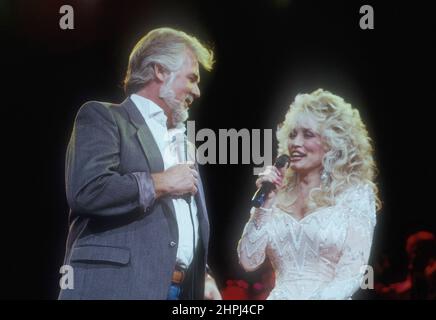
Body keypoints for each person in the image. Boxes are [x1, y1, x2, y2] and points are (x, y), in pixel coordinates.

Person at [59, 27, 221, 300]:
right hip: (115, 287)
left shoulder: (185, 144)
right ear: (160, 71)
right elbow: (87, 190)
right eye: (192, 79)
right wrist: (163, 181)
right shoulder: (104, 117)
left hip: (179, 291)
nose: (197, 91)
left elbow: (180, 223)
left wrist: (202, 275)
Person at [238, 89, 381, 299]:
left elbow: (352, 273)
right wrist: (266, 204)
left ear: (332, 143)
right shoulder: (275, 193)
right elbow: (248, 260)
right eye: (293, 134)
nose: (296, 143)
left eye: (308, 134)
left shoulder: (355, 194)